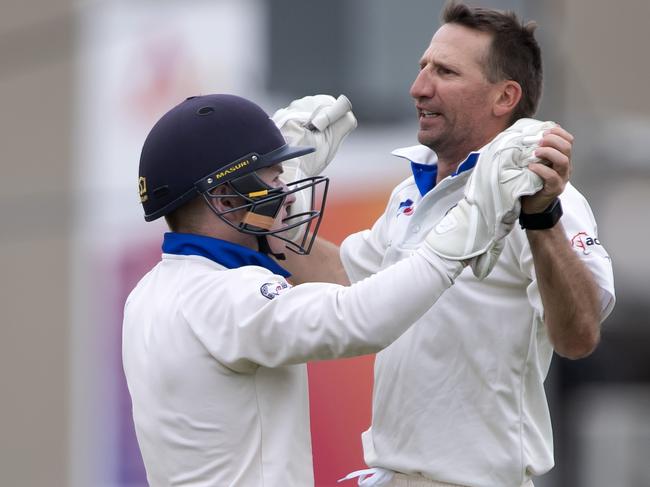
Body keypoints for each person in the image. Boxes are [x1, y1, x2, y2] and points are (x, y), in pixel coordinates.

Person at [122, 93, 550, 486]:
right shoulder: (226, 298)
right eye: (273, 179)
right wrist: (470, 221)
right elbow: (357, 320)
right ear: (225, 199)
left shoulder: (149, 293)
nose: (287, 193)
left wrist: (269, 179)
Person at [274, 3, 615, 487]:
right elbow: (347, 281)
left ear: (504, 97)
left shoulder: (545, 196)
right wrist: (272, 204)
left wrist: (542, 216)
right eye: (423, 68)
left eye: (445, 72)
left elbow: (578, 337)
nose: (419, 88)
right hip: (394, 475)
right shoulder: (411, 190)